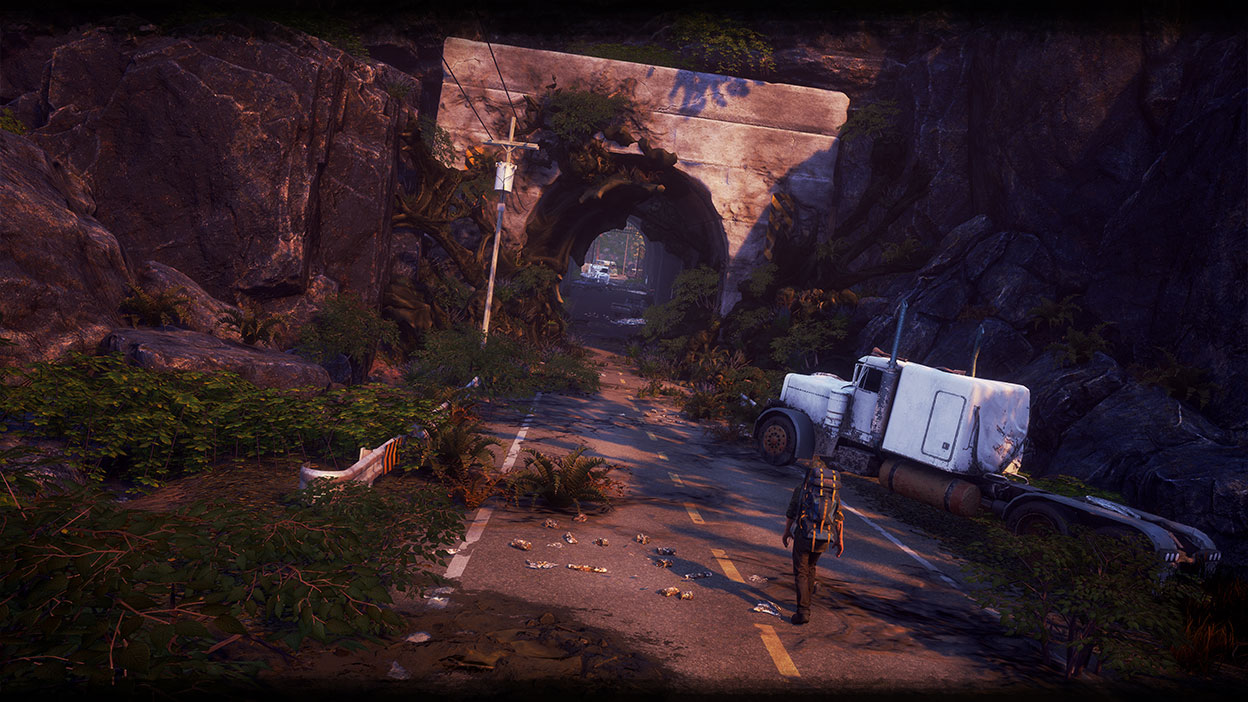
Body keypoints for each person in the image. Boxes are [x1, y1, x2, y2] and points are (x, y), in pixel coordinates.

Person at [781, 456, 844, 625]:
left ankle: (803, 611)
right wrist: (839, 540)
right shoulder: (833, 492)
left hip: (805, 535)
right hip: (824, 537)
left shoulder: (802, 489)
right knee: (811, 568)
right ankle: (807, 603)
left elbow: (791, 513)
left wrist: (787, 532)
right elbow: (839, 518)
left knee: (801, 571)